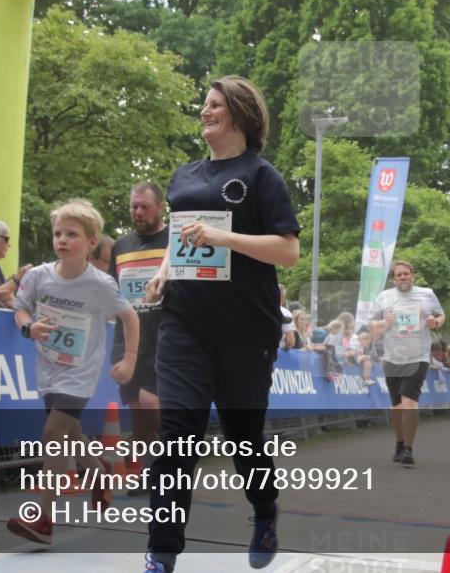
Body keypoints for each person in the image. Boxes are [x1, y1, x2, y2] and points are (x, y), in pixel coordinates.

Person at [141, 76, 299, 573]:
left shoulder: (261, 176)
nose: (204, 111)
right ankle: (161, 553)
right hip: (185, 326)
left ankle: (265, 511)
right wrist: (165, 272)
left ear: (239, 114)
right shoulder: (184, 176)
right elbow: (181, 240)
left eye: (214, 105)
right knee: (176, 438)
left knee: (243, 438)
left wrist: (223, 238)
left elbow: (289, 252)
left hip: (246, 331)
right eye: (204, 104)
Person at [7, 198, 140, 545]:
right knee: (70, 435)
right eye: (57, 234)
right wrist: (29, 328)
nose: (62, 240)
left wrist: (129, 358)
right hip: (48, 368)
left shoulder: (100, 284)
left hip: (81, 373)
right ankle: (99, 473)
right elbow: (19, 309)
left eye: (72, 234)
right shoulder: (38, 277)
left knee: (54, 434)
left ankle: (43, 518)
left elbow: (129, 316)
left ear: (91, 243)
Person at [108, 181, 169, 490]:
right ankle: (150, 472)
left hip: (163, 335)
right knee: (136, 407)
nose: (138, 212)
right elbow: (111, 291)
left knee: (150, 401)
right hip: (127, 338)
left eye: (145, 206)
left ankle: (174, 461)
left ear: (160, 207)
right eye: (134, 206)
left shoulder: (173, 240)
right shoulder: (121, 246)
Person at [370, 260, 445, 466]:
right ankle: (400, 442)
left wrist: (435, 322)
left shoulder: (426, 294)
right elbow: (373, 326)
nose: (402, 277)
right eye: (398, 275)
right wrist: (387, 322)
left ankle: (409, 449)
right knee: (396, 406)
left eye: (406, 274)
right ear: (393, 279)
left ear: (412, 275)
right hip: (392, 356)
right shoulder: (384, 298)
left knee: (409, 401)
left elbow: (440, 314)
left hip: (417, 355)